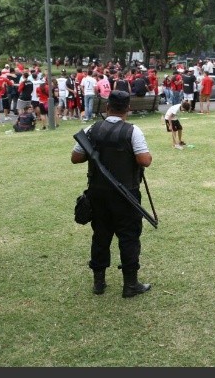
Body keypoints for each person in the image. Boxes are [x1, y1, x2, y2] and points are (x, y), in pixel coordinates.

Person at [70, 90, 154, 298]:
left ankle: (99, 283)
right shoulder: (132, 131)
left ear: (107, 107)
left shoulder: (91, 129)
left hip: (97, 194)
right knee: (129, 238)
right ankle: (130, 285)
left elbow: (75, 158)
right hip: (126, 195)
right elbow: (144, 160)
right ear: (128, 109)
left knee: (100, 236)